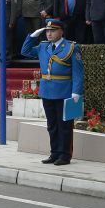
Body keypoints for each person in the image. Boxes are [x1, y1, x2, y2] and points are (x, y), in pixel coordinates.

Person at [21, 19, 84, 166]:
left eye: (53, 31)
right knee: (52, 125)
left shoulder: (71, 47)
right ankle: (54, 153)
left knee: (64, 126)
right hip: (47, 91)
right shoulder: (43, 46)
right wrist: (32, 37)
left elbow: (78, 73)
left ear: (61, 31)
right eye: (47, 31)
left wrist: (76, 91)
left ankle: (65, 155)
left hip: (64, 92)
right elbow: (25, 51)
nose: (49, 34)